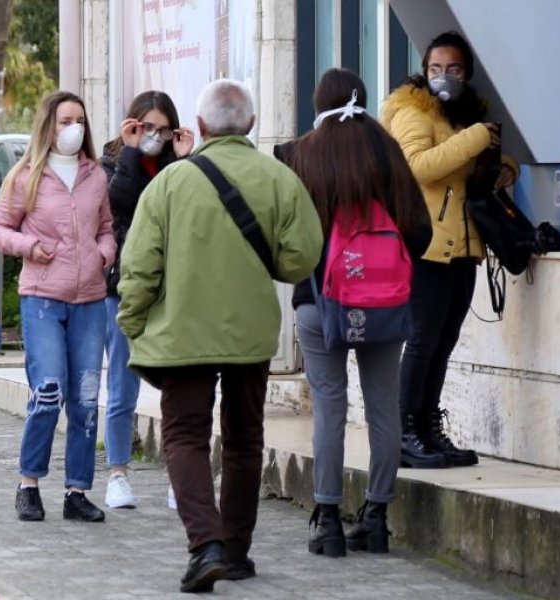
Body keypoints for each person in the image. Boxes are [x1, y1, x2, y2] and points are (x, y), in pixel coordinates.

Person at [117, 79, 323, 593]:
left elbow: (138, 265)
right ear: (250, 125)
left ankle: (204, 544)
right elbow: (303, 256)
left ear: (201, 126)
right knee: (245, 437)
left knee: (185, 435)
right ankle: (235, 551)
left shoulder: (169, 184)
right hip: (250, 333)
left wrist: (132, 321)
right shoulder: (280, 178)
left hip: (181, 331)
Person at [275, 68, 432, 557]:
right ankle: (377, 517)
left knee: (330, 406)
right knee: (384, 406)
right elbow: (421, 231)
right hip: (384, 306)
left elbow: (289, 238)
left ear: (317, 103)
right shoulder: (388, 150)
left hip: (320, 302)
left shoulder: (297, 155)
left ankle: (326, 520)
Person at [381, 31, 518, 469]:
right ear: (424, 70)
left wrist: (504, 168)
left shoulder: (464, 115)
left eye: (454, 70)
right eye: (436, 69)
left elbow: (478, 164)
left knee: (443, 342)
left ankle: (428, 428)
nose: (444, 77)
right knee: (422, 341)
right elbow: (420, 165)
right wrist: (478, 137)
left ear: (467, 73)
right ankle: (404, 433)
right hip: (425, 243)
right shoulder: (412, 110)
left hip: (463, 243)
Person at [0, 90, 116, 524]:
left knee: (85, 397)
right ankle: (29, 484)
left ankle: (77, 491)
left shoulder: (96, 175)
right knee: (49, 392)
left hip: (91, 301)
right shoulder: (26, 176)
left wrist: (104, 252)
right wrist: (30, 245)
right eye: (65, 120)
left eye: (79, 119)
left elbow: (106, 228)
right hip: (42, 298)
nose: (74, 127)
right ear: (48, 126)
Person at [99, 90, 194, 509]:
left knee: (179, 389)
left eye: (163, 129)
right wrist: (133, 153)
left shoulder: (179, 168)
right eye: (147, 127)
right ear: (132, 125)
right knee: (122, 388)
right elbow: (121, 203)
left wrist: (187, 159)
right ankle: (118, 473)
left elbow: (191, 211)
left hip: (171, 290)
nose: (155, 135)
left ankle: (180, 477)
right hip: (121, 289)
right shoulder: (112, 163)